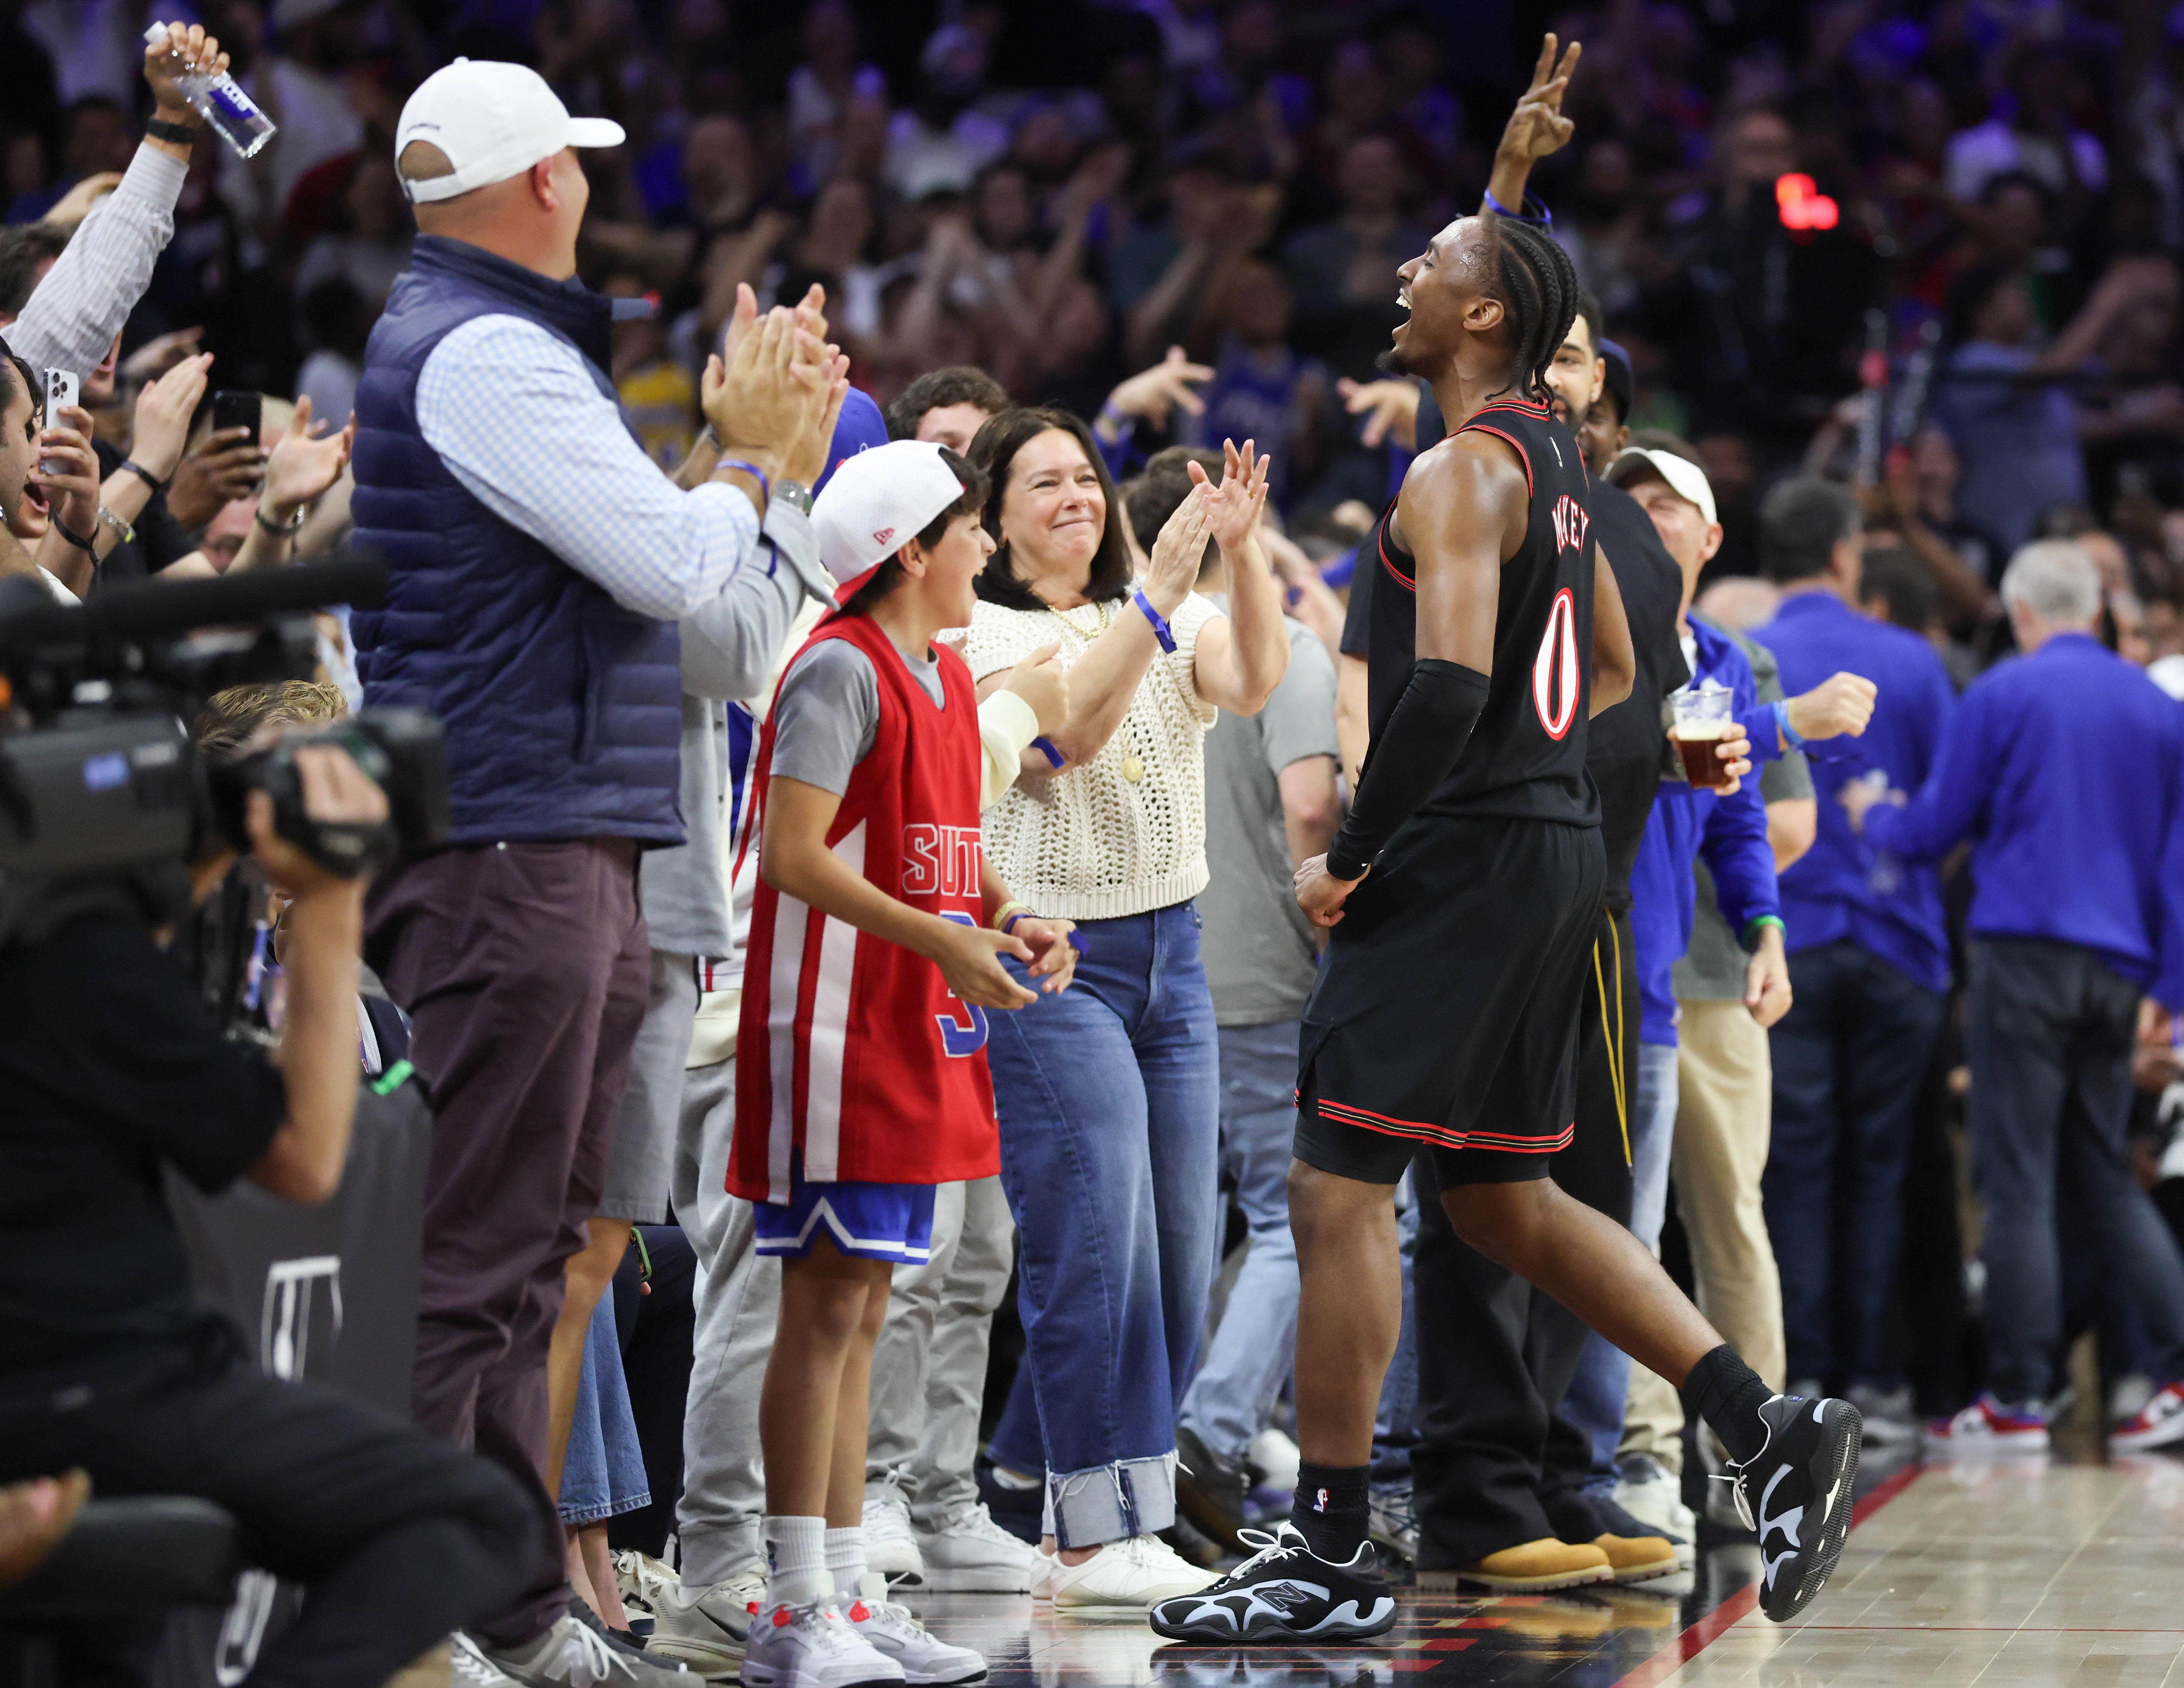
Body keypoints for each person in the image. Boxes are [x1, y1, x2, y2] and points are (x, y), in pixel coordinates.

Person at [1155, 208, 1854, 1647]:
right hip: (1551, 862)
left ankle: (1336, 1547)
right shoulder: (1566, 471)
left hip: (1464, 861)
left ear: (1485, 320)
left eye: (1434, 262)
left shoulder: (1466, 465)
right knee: (1503, 1200)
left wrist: (1358, 850)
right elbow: (1619, 668)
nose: (1406, 271)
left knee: (1335, 1186)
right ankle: (1763, 1423)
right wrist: (1539, 788)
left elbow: (1452, 685)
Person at [347, 56, 846, 1684]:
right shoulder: (488, 352)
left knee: (520, 1261)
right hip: (511, 845)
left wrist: (749, 483)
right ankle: (420, 1620)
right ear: (550, 181)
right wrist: (752, 461)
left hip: (566, 843)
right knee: (472, 1266)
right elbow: (676, 561)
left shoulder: (498, 345)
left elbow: (715, 634)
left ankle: (503, 1606)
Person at [0, 729, 539, 1688]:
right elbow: (303, 1157)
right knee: (476, 1516)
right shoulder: (78, 964)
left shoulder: (72, 959)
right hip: (112, 1396)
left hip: (81, 1392)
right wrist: (329, 895)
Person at [729, 441, 1079, 1687]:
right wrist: (941, 934)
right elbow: (791, 852)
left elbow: (940, 839)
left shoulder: (936, 670)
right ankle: (789, 1609)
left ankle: (843, 1595)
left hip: (910, 1019)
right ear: (909, 552)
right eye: (969, 527)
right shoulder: (836, 665)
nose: (987, 545)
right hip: (831, 1027)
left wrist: (1007, 910)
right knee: (824, 1310)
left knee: (868, 1308)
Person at [960, 410, 1287, 1608]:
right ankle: (1092, 1532)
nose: (1074, 496)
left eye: (1085, 477)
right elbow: (1055, 737)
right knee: (1096, 1237)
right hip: (1051, 954)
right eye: (1040, 482)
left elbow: (1253, 677)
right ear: (990, 520)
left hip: (1175, 958)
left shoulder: (1154, 604)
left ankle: (1114, 1511)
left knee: (1181, 1258)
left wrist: (1242, 556)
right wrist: (1153, 599)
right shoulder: (980, 626)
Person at [1406, 283, 1696, 1593]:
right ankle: (1472, 1495)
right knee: (1487, 1212)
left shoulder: (1617, 524)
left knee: (1577, 1214)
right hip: (1494, 884)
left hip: (1594, 903)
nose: (1564, 376)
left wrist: (1675, 760)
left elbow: (1629, 693)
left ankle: (1564, 1479)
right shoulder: (1475, 480)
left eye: (1586, 361)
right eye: (1552, 353)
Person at [1846, 540, 2184, 1452]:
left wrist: (1870, 814)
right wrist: (2170, 983)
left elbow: (1935, 828)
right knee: (2102, 1169)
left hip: (2023, 951)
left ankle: (2018, 1395)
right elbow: (2178, 862)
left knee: (2018, 1177)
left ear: (2021, 610)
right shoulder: (2156, 706)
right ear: (2095, 608)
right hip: (2120, 966)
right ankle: (2176, 1371)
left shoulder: (2001, 691)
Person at [1114, 446, 1342, 1550]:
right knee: (1299, 1217)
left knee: (1183, 1226)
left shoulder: (1133, 646)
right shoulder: (1281, 650)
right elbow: (1309, 804)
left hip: (1163, 962)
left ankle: (1155, 1439)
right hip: (1266, 966)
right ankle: (1209, 1432)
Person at [1747, 478, 1957, 1436]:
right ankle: (1869, 1380)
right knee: (1877, 1167)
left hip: (1780, 943)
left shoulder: (1752, 657)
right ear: (1844, 555)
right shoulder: (1912, 659)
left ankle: (1803, 1381)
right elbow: (1948, 814)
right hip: (1895, 944)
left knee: (1791, 1163)